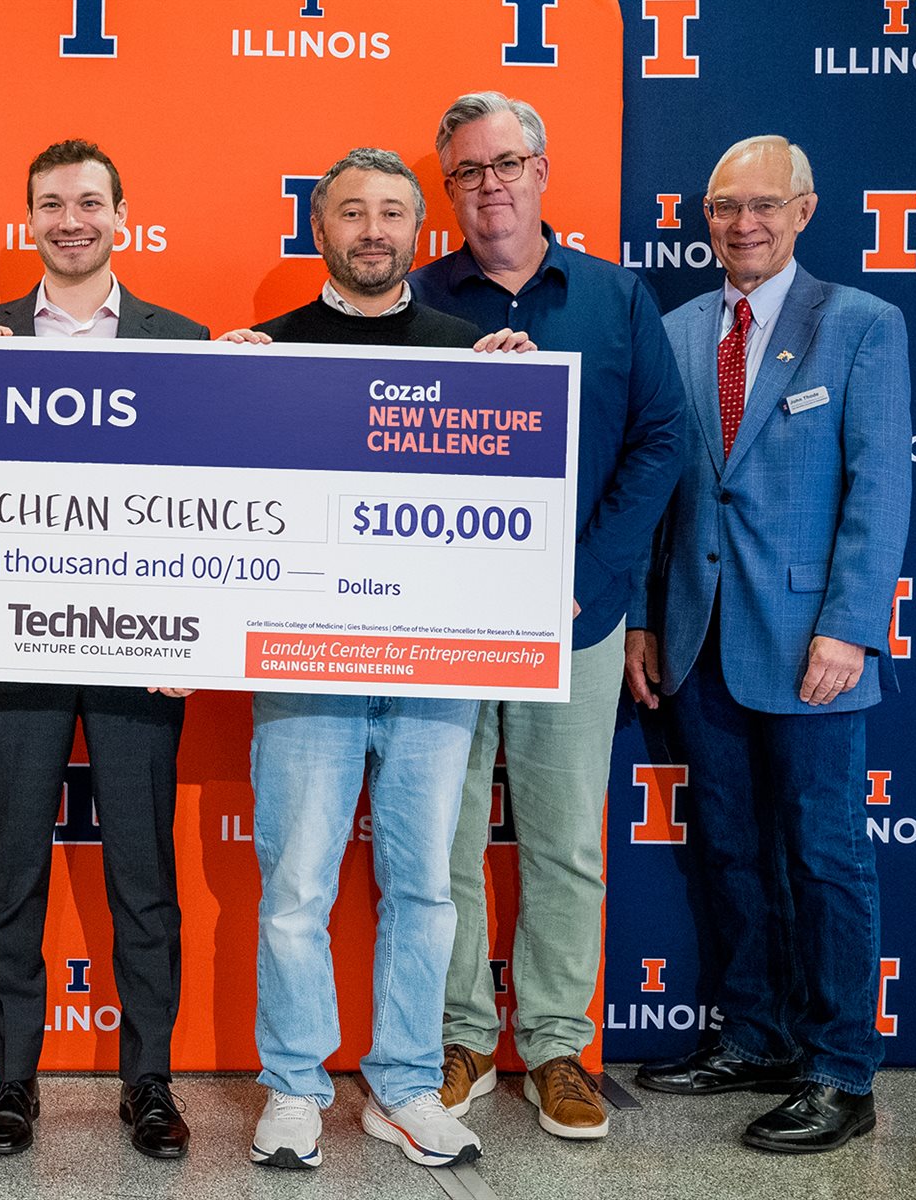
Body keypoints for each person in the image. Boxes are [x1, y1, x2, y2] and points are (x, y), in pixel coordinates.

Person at [223, 149, 530, 1172]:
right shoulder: (264, 352)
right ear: (318, 229)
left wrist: (522, 395)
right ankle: (294, 1088)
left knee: (426, 890)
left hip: (434, 666)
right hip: (305, 664)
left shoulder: (470, 353)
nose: (371, 230)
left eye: (391, 213)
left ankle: (403, 1087)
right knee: (295, 890)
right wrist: (214, 388)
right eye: (350, 213)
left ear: (416, 230)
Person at [409, 91, 686, 1141]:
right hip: (444, 621)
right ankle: (461, 1036)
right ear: (449, 190)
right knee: (442, 839)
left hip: (576, 613)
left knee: (565, 839)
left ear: (540, 170)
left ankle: (558, 1046)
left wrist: (591, 569)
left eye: (506, 164)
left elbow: (660, 439)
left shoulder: (616, 298)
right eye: (467, 171)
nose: (490, 185)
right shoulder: (417, 300)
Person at [628, 135, 910, 1154]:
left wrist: (849, 627)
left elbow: (880, 486)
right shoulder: (676, 330)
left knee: (825, 859)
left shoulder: (862, 325)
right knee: (731, 849)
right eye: (723, 207)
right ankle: (753, 1037)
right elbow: (656, 488)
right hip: (697, 640)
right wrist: (646, 620)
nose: (741, 224)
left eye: (762, 205)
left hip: (809, 646)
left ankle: (840, 1070)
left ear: (803, 211)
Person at [0, 139, 206, 1161]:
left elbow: (213, 502)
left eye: (89, 202)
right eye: (51, 203)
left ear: (120, 217)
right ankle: (13, 1081)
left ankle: (149, 1084)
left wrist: (199, 629)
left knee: (143, 873)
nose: (71, 220)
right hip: (17, 643)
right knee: (10, 870)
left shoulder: (182, 342)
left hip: (141, 646)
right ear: (28, 220)